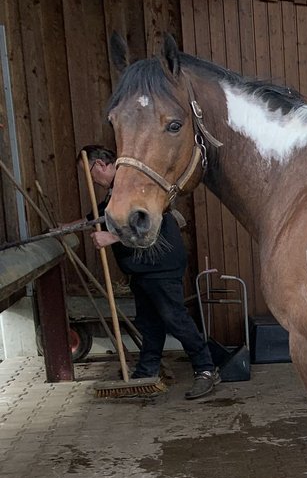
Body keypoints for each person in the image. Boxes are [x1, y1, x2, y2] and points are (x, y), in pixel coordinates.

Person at [82, 145, 219, 400]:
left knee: (174, 318)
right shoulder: (116, 192)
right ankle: (147, 370)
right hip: (141, 269)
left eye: (89, 172)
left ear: (100, 165)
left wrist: (111, 236)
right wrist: (69, 227)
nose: (90, 180)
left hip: (160, 264)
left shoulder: (134, 183)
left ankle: (206, 369)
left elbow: (145, 220)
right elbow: (101, 216)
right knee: (150, 323)